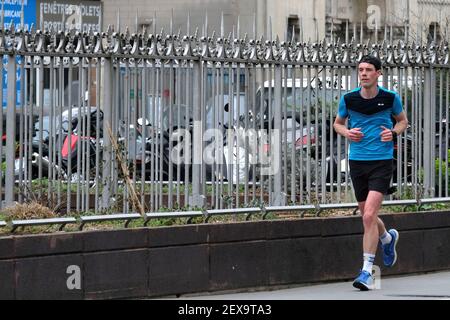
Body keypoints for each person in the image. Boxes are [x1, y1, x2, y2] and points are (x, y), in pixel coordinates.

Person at [333, 55, 409, 291]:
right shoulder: (349, 98)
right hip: (357, 161)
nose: (363, 73)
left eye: (368, 70)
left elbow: (403, 121)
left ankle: (367, 272)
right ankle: (388, 238)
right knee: (367, 215)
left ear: (378, 73)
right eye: (360, 70)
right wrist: (347, 133)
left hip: (382, 162)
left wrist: (393, 133)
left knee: (368, 216)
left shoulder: (390, 98)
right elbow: (337, 123)